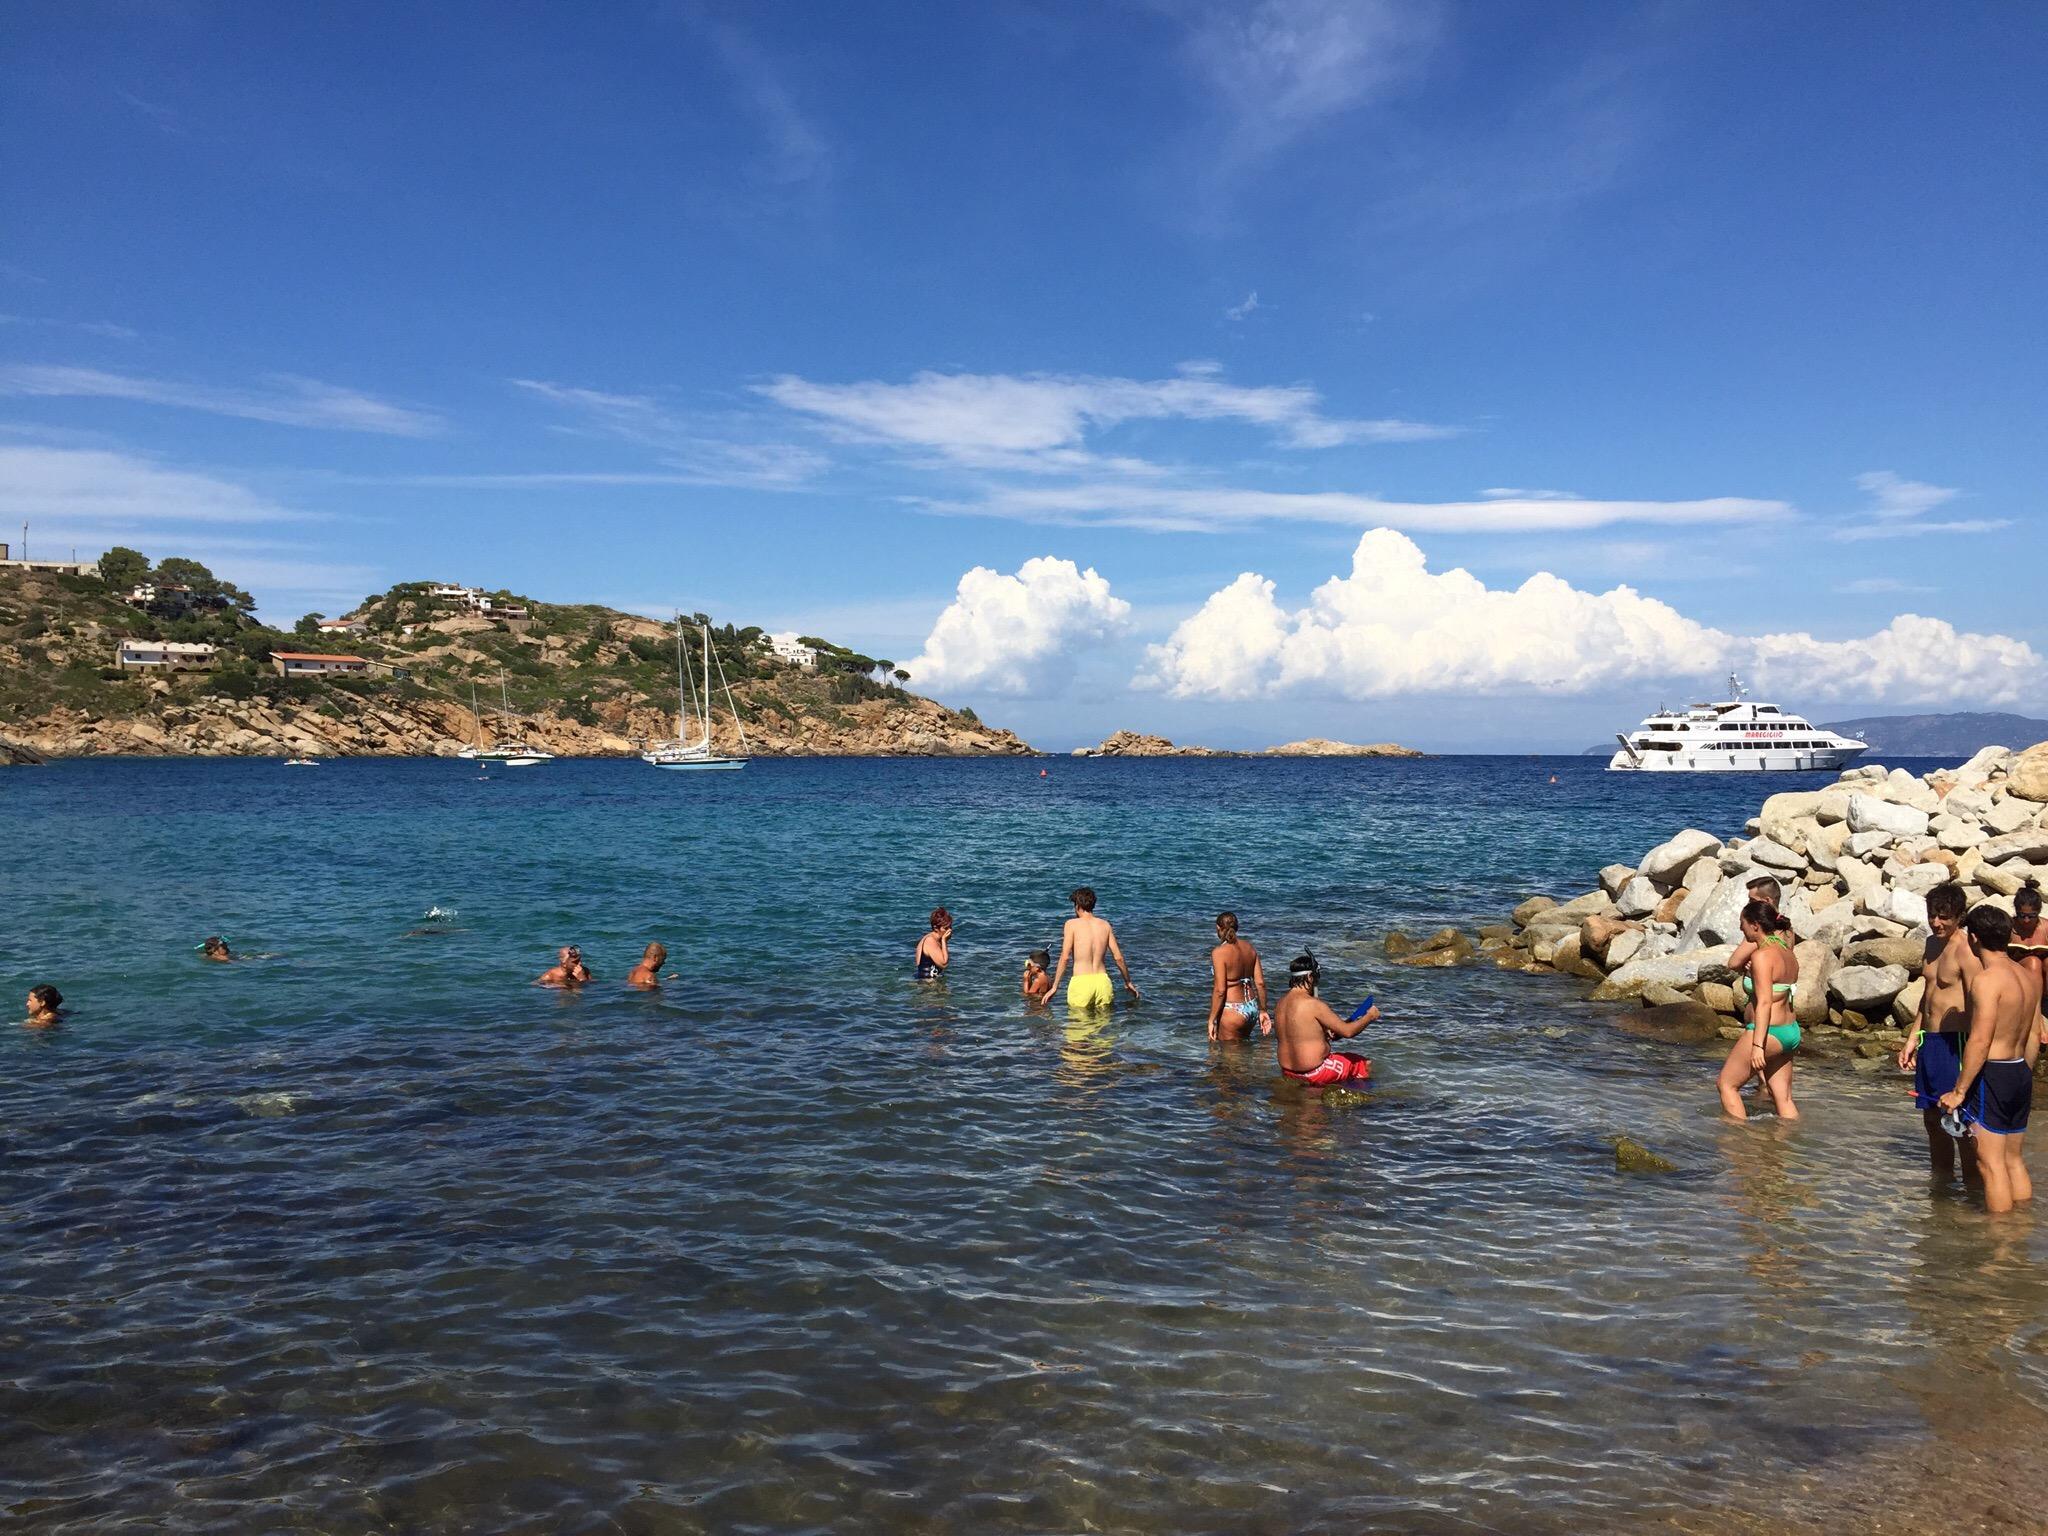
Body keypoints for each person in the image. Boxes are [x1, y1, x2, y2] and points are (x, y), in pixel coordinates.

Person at [1938, 907, 2045, 1214]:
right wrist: (2023, 1073)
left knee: (1990, 1164)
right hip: (2019, 1072)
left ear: (1973, 938)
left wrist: (1958, 1091)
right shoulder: (2027, 976)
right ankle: (2021, 1229)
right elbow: (2034, 1036)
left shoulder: (1987, 981)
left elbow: (1981, 1040)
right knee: (2012, 1159)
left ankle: (1999, 1248)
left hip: (1994, 1075)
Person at [1899, 882, 1980, 1184]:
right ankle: (1942, 1183)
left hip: (1955, 1044)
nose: (1936, 922)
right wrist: (1912, 1038)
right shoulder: (1932, 944)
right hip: (1929, 1042)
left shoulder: (1966, 952)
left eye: (1944, 916)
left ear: (1960, 916)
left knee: (1958, 1121)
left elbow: (1979, 1002)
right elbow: (1927, 996)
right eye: (1933, 915)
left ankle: (1973, 1188)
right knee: (1932, 1119)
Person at [1716, 901, 1801, 1120]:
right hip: (1790, 1032)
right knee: (1784, 1099)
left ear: (1755, 925)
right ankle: (1786, 1149)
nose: (1740, 929)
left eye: (1742, 924)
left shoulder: (1762, 956)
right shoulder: (1787, 951)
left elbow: (1764, 1002)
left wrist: (1757, 1046)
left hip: (1768, 1033)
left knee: (1726, 1084)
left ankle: (1741, 1146)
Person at [1273, 950, 1377, 1084]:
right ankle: (1366, 1103)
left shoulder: (1280, 1003)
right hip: (1314, 1072)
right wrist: (1370, 1016)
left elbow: (1299, 1033)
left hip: (1288, 1072)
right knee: (1365, 1065)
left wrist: (1324, 1032)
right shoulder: (1313, 1004)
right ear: (1310, 977)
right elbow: (1348, 1032)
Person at [1049, 887, 1139, 1010]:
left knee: (1079, 1026)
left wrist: (1054, 987)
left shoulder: (1071, 924)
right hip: (1103, 982)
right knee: (1103, 1027)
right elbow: (1118, 958)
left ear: (1077, 906)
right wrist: (1128, 982)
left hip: (1081, 983)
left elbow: (1065, 958)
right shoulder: (1105, 925)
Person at [1207, 911, 1270, 1041]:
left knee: (1229, 1057)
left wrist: (1211, 1020)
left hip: (1232, 1010)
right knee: (1242, 1053)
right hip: (1252, 1007)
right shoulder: (1249, 948)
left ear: (1219, 928)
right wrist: (1263, 1010)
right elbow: (1260, 983)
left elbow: (1220, 991)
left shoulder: (1219, 952)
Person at [2010, 877, 2046, 1043]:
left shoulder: (2046, 928)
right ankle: (2036, 1017)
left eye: (2031, 916)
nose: (2025, 921)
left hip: (2044, 980)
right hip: (2019, 979)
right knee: (2033, 962)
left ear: (2038, 913)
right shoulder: (2009, 927)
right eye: (2021, 915)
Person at [914, 909, 953, 981]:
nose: (949, 930)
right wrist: (944, 941)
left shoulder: (928, 938)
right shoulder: (930, 941)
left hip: (925, 981)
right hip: (928, 984)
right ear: (936, 928)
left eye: (950, 927)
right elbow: (944, 964)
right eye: (946, 928)